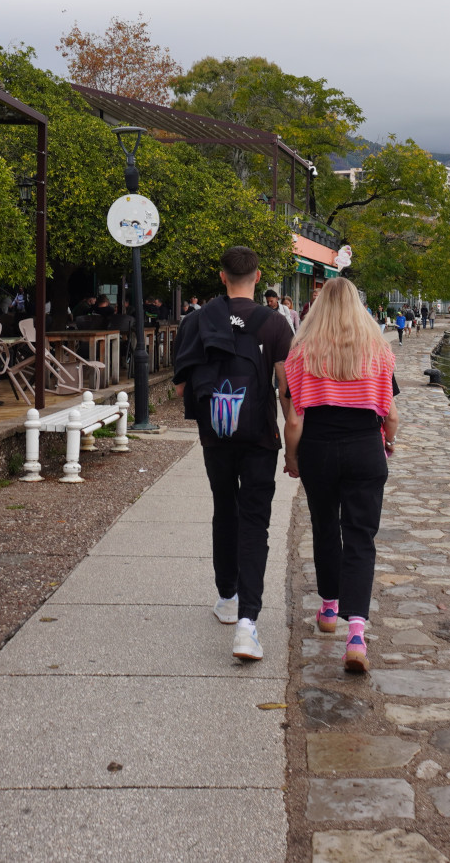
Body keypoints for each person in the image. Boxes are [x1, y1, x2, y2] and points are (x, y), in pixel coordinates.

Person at [172, 247, 294, 662]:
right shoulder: (275, 323)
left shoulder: (197, 320)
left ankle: (227, 597)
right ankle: (248, 624)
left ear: (222, 276)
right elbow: (286, 389)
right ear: (258, 277)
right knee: (255, 522)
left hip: (216, 435)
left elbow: (180, 388)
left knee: (224, 510)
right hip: (259, 436)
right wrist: (292, 436)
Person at [282, 276, 397, 673]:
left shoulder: (301, 353)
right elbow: (391, 415)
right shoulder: (378, 352)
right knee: (361, 537)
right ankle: (357, 634)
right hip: (365, 446)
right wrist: (389, 442)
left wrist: (291, 456)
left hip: (318, 448)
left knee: (325, 526)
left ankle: (329, 608)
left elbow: (295, 420)